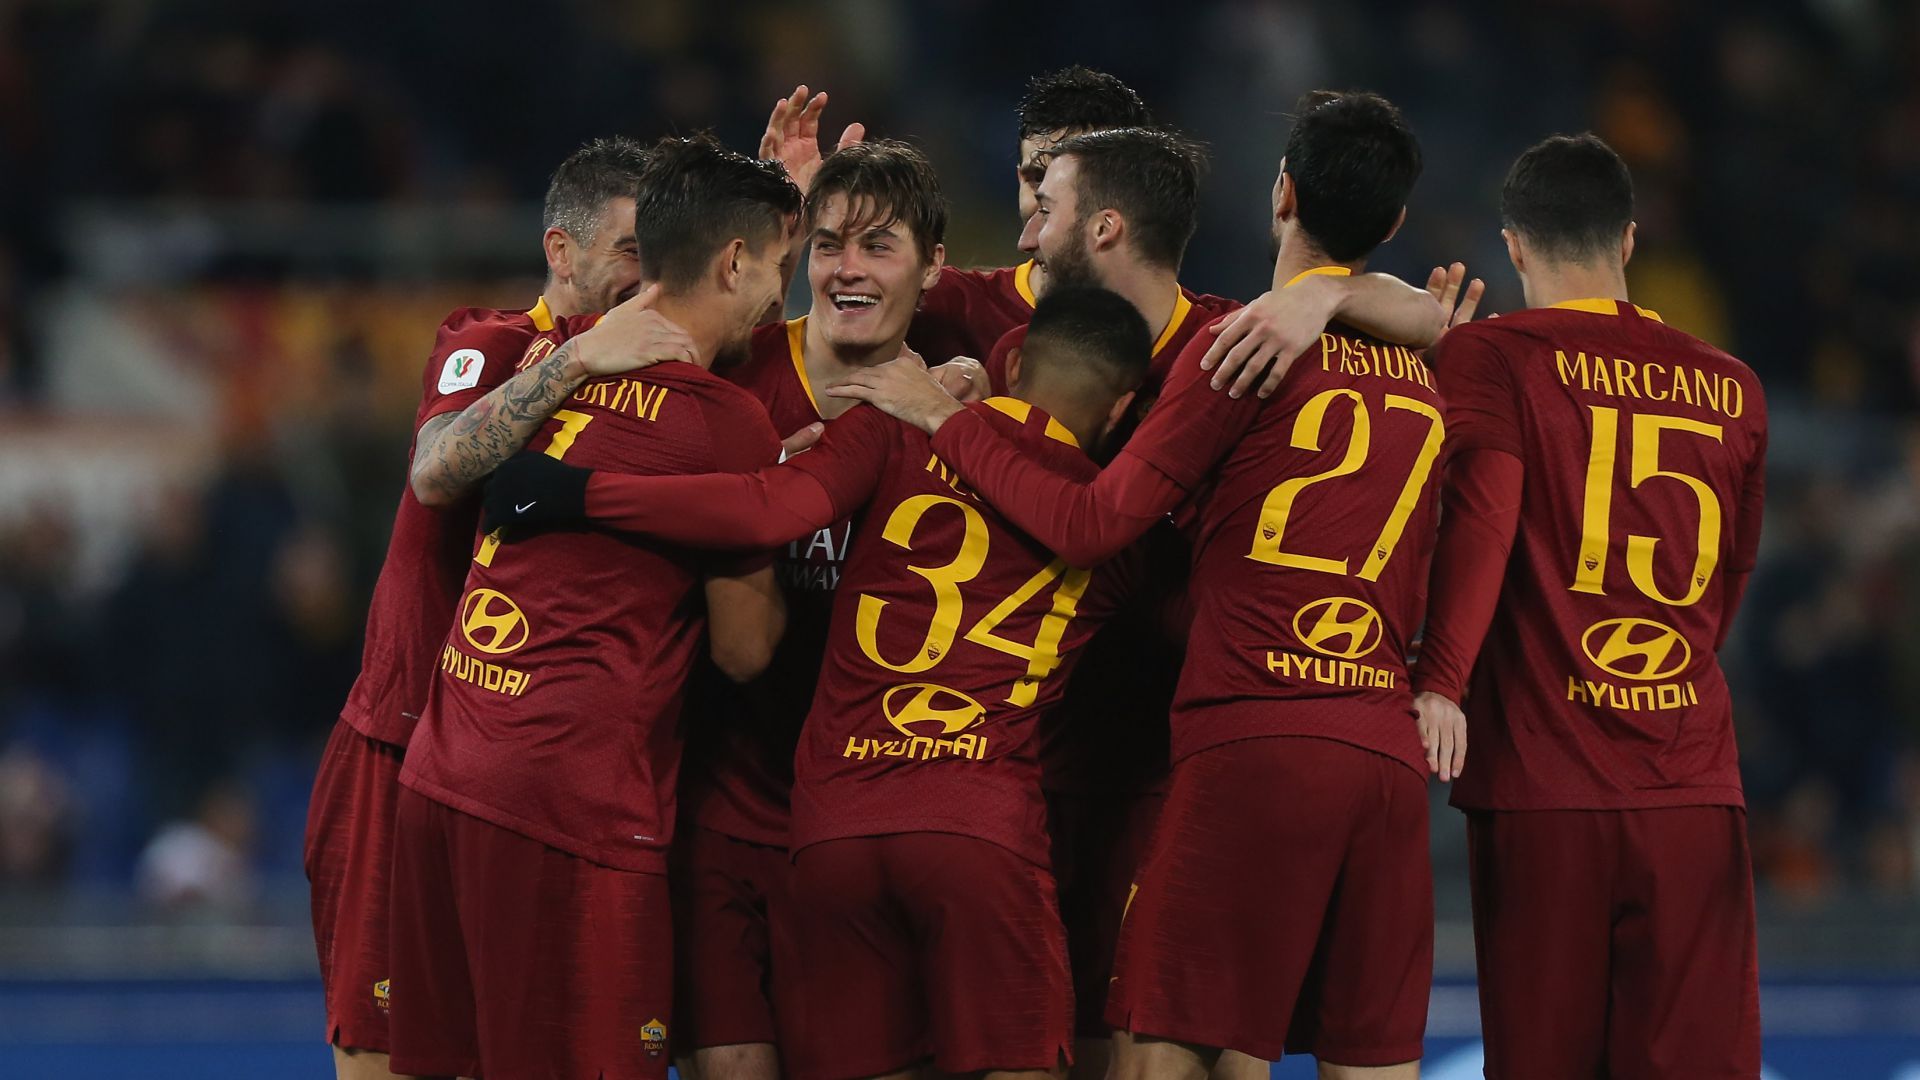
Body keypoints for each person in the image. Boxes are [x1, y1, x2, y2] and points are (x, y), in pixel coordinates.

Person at [830, 90, 1441, 1080]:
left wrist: (947, 422)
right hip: (1118, 760)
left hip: (1193, 753)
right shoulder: (1004, 323)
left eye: (1047, 203)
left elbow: (1093, 526)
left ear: (1281, 193)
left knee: (1179, 1046)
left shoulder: (1232, 345)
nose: (1028, 229)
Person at [484, 285, 1156, 1080]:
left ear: (1011, 367)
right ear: (1121, 411)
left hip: (835, 828)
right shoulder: (1114, 534)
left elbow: (761, 508)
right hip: (978, 825)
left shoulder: (891, 431)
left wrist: (579, 492)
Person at [384, 134, 800, 1080]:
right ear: (734, 261)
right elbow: (743, 649)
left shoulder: (553, 355)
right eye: (781, 268)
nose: (782, 296)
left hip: (442, 774)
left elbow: (446, 467)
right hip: (570, 804)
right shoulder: (726, 422)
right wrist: (790, 507)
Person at [301, 135, 689, 1080]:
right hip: (401, 750)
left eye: (663, 256)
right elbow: (437, 470)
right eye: (631, 251)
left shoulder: (660, 388)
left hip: (528, 782)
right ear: (561, 250)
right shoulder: (492, 343)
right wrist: (579, 359)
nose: (650, 279)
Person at [1409, 132, 1767, 1079]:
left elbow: (1483, 521)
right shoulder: (1734, 387)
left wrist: (1441, 677)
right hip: (1689, 784)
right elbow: (1727, 588)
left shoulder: (1491, 357)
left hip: (1543, 784)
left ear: (1513, 245)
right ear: (1630, 239)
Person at [667, 138, 954, 1080]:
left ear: (934, 266)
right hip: (723, 815)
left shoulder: (960, 413)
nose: (849, 269)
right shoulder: (730, 375)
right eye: (829, 245)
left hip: (868, 833)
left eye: (878, 246)